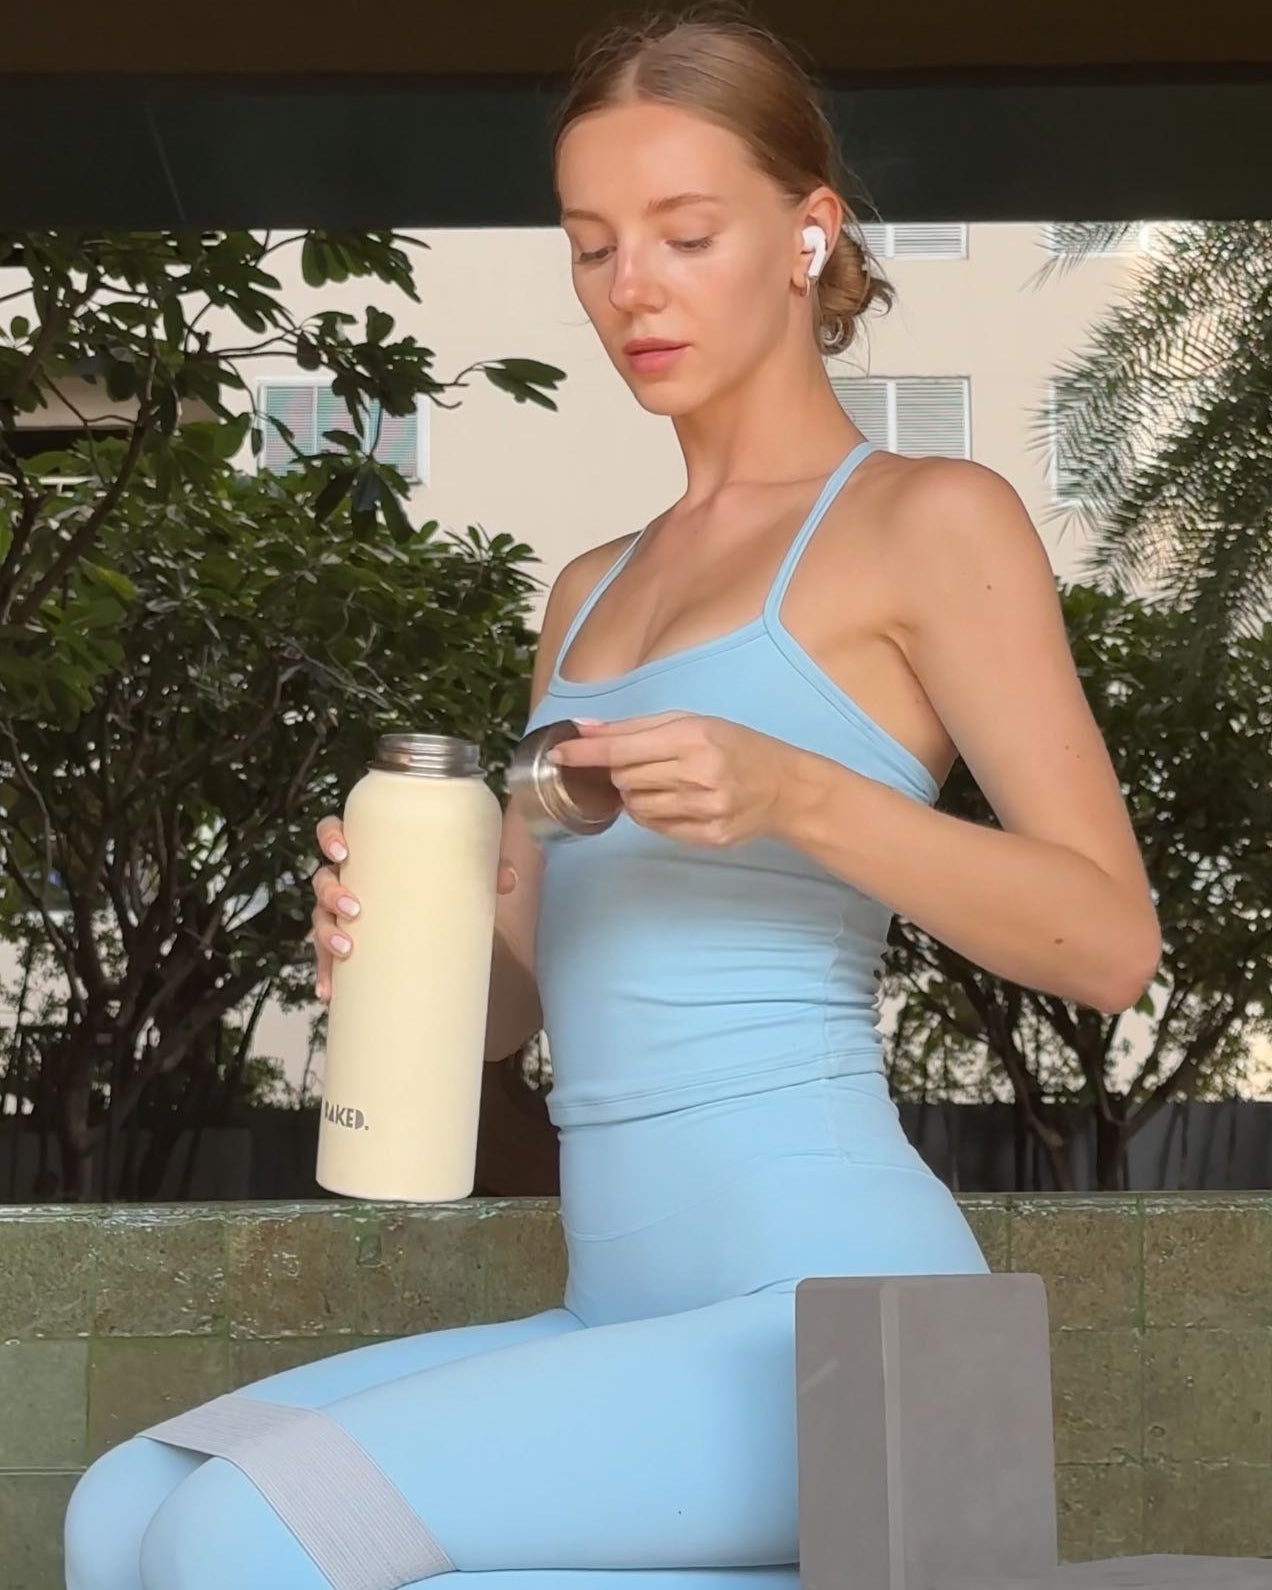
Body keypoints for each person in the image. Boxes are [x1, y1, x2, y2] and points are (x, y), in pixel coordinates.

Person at [63, 10, 1162, 1590]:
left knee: (238, 1539)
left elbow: (1108, 938)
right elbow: (509, 1023)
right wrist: (400, 943)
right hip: (621, 1319)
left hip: (837, 1323)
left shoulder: (930, 519)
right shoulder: (587, 591)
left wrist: (794, 792)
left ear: (807, 233)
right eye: (590, 247)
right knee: (121, 1510)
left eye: (685, 233)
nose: (629, 289)